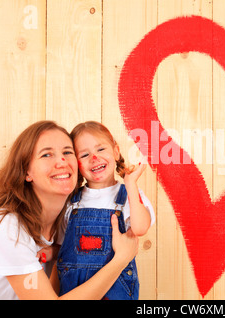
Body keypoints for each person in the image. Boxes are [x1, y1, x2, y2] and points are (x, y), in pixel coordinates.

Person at [0, 121, 138, 300]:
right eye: (46, 155)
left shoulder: (67, 219)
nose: (61, 161)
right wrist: (121, 259)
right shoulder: (8, 228)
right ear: (27, 172)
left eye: (68, 152)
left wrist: (58, 252)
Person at [56, 121, 155, 300]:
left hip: (117, 289)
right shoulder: (71, 201)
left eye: (101, 150)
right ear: (76, 164)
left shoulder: (128, 195)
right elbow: (62, 245)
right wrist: (48, 253)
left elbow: (140, 228)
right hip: (75, 291)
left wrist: (131, 185)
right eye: (85, 154)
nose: (94, 158)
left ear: (116, 152)